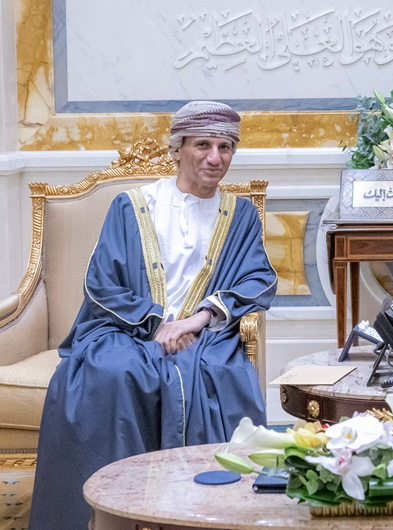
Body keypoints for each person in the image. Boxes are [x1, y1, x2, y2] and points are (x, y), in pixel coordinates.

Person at [30, 101, 277, 529]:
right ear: (177, 148)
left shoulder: (240, 215)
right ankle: (116, 510)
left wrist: (198, 319)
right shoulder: (132, 205)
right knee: (111, 374)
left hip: (205, 335)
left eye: (225, 147)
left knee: (219, 374)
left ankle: (206, 514)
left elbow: (258, 279)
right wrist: (158, 322)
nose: (215, 158)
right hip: (128, 329)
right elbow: (103, 283)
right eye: (203, 145)